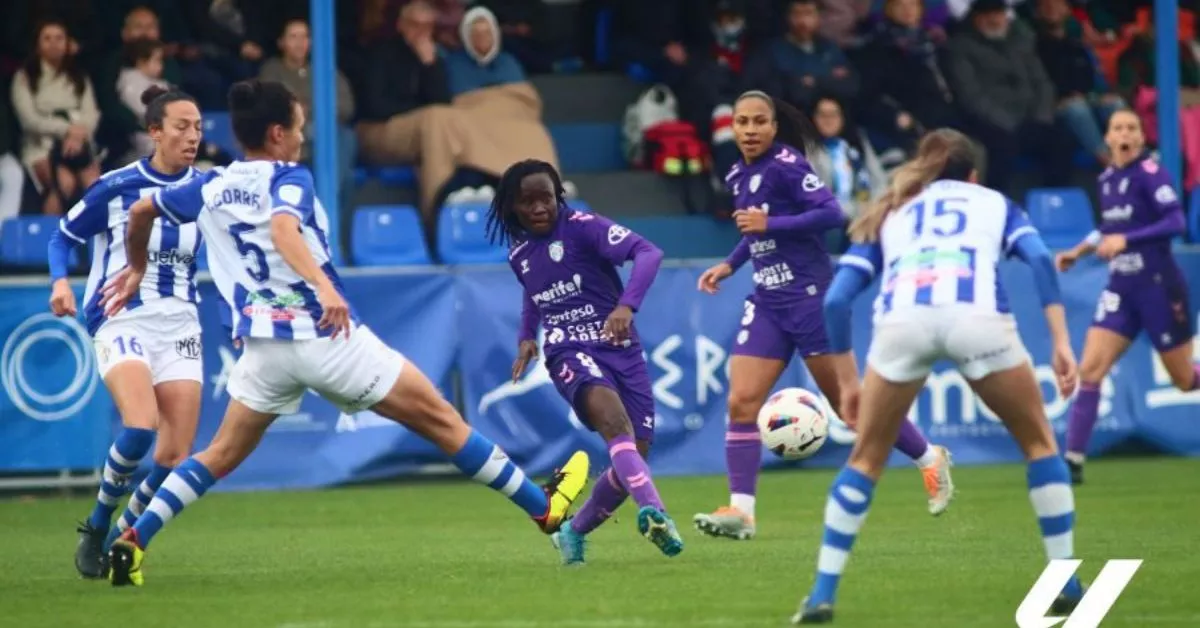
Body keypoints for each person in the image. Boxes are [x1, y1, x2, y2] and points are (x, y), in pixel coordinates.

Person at [101, 80, 590, 587]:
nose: (301, 136)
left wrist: (136, 268)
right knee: (443, 421)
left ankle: (132, 540)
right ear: (276, 133)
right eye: (298, 126)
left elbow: (141, 212)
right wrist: (322, 287)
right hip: (325, 334)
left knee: (217, 455)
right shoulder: (290, 178)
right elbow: (285, 231)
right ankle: (546, 510)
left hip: (265, 349)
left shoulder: (209, 183)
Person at [791, 129, 1084, 624]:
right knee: (1039, 446)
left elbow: (837, 300)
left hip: (904, 322)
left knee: (864, 461)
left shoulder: (892, 209)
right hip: (978, 318)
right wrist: (1060, 340)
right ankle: (1066, 583)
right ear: (973, 175)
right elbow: (1038, 259)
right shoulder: (995, 204)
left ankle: (822, 594)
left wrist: (846, 383)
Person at [692, 91, 954, 542]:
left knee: (851, 407)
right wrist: (731, 264)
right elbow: (753, 232)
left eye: (759, 122)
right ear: (732, 127)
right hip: (768, 300)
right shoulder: (738, 172)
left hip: (811, 297)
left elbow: (832, 213)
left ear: (774, 128)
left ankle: (930, 459)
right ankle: (741, 512)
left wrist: (769, 226)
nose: (750, 130)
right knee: (741, 401)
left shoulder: (788, 164)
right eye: (742, 122)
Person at [490, 159, 683, 564]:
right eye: (527, 201)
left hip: (620, 346)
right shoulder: (520, 252)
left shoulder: (583, 227)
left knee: (634, 452)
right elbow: (535, 290)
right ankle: (656, 514)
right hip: (567, 350)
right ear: (512, 206)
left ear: (558, 196)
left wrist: (626, 307)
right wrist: (528, 336)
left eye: (546, 198)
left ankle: (573, 532)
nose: (539, 207)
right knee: (615, 424)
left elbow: (648, 252)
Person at [46, 86, 204, 579]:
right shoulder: (117, 186)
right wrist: (60, 283)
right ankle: (96, 527)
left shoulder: (206, 190)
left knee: (175, 455)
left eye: (198, 127)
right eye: (181, 126)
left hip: (181, 321)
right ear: (154, 131)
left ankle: (123, 536)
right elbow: (62, 236)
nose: (192, 136)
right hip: (122, 315)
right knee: (140, 425)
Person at [1057, 109, 1197, 485]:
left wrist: (1127, 240)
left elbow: (1176, 221)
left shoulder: (1151, 174)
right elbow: (1109, 227)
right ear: (1107, 137)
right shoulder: (1106, 179)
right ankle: (1072, 460)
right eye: (1118, 127)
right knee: (1091, 370)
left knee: (1184, 379)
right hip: (1121, 288)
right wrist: (1078, 251)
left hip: (1158, 286)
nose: (1125, 133)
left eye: (1131, 128)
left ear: (1140, 138)